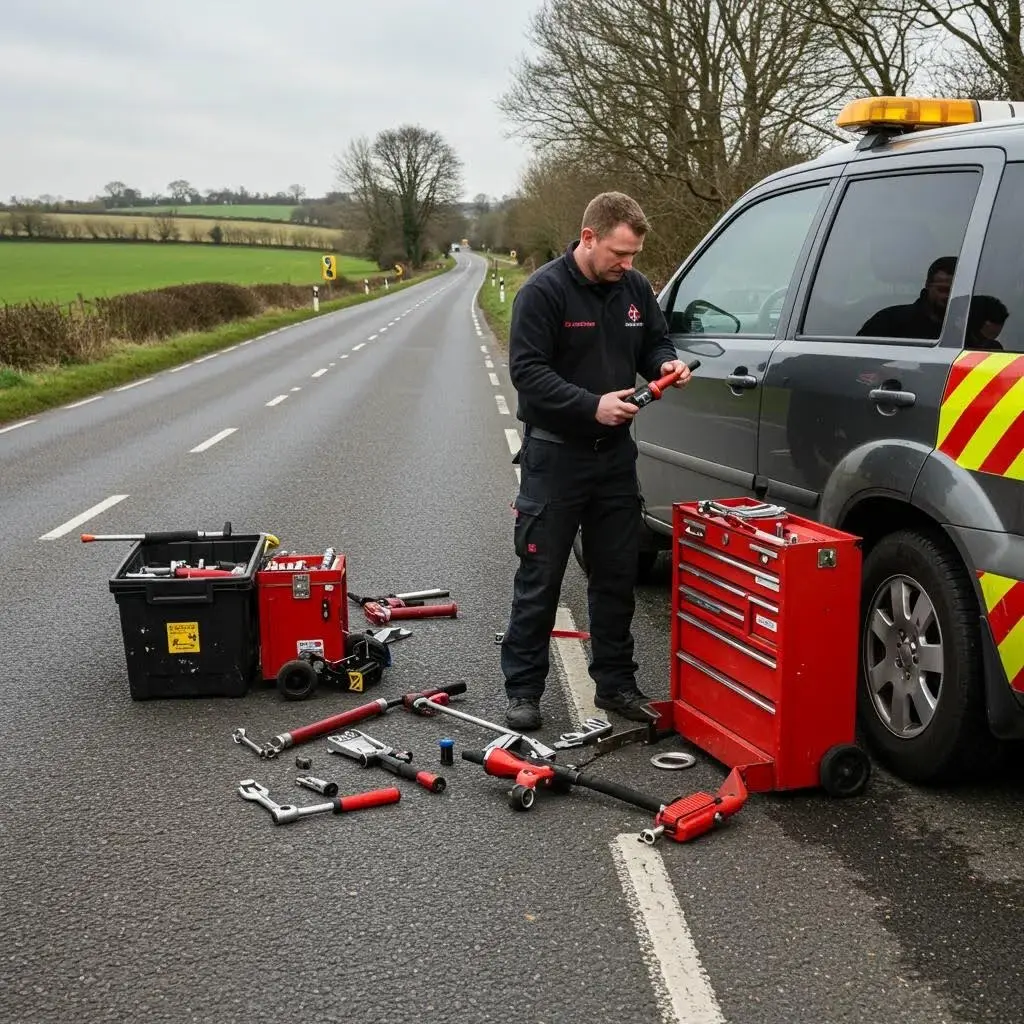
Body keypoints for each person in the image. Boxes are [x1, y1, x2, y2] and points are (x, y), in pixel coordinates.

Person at [499, 191, 693, 730]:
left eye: (633, 257)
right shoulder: (543, 293)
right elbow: (528, 374)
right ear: (588, 238)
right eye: (618, 254)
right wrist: (591, 405)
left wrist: (668, 363)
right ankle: (524, 690)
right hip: (555, 458)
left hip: (614, 461)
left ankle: (616, 683)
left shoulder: (632, 289)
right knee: (541, 578)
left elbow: (654, 341)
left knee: (615, 577)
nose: (628, 267)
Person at [857, 255, 957, 339]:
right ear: (928, 285)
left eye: (956, 292)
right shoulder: (888, 323)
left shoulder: (969, 327)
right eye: (942, 290)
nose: (948, 296)